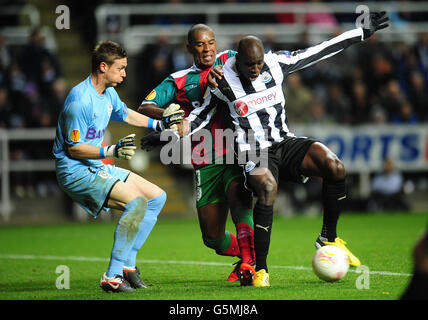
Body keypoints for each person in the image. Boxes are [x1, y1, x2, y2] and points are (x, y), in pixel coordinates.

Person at [180, 12, 389, 287]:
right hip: (253, 152)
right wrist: (163, 130)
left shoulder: (276, 63)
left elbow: (320, 50)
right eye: (249, 65)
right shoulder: (221, 80)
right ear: (236, 61)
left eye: (258, 63)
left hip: (283, 142)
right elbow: (201, 115)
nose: (255, 69)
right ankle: (261, 270)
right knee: (267, 187)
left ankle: (328, 237)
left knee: (335, 166)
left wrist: (359, 33)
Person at [52, 41, 184, 293]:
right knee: (136, 204)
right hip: (75, 171)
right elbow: (73, 149)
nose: (124, 74)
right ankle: (112, 276)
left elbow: (125, 114)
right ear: (103, 67)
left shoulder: (108, 93)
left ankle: (127, 266)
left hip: (94, 165)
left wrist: (160, 124)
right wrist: (109, 151)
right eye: (120, 68)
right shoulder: (80, 101)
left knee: (157, 197)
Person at [138, 24, 256, 285]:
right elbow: (146, 106)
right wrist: (169, 116)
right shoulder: (178, 80)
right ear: (189, 48)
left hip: (238, 148)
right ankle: (250, 254)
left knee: (239, 202)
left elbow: (257, 63)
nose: (207, 49)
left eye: (211, 42)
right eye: (200, 44)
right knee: (212, 237)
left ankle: (250, 264)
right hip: (204, 157)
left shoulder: (230, 60)